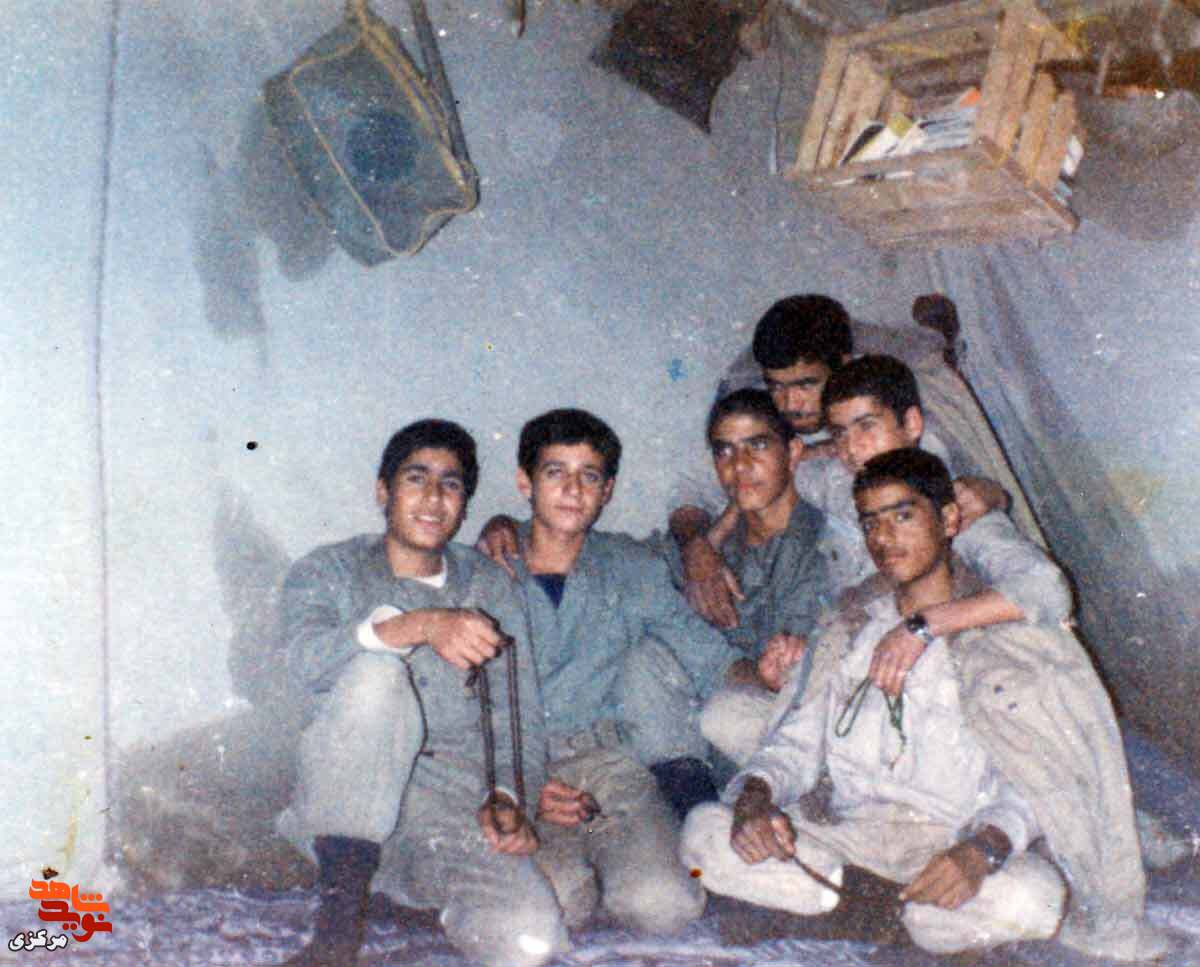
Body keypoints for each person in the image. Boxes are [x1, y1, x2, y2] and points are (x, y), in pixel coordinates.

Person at [681, 449, 1166, 961]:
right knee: (705, 834)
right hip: (849, 837)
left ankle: (852, 910)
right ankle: (898, 918)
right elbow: (795, 746)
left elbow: (1037, 777)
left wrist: (982, 851)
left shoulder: (1000, 634)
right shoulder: (850, 624)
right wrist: (755, 801)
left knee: (1035, 899)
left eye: (903, 516)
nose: (884, 537)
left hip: (951, 841)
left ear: (949, 520)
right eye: (871, 523)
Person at [275, 420, 565, 967]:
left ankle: (398, 893)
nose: (433, 498)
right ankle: (337, 934)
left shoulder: (487, 585)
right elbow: (300, 663)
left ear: (465, 502)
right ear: (383, 491)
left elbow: (518, 714)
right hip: (345, 794)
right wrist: (417, 625)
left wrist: (505, 796)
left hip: (449, 807)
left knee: (531, 940)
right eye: (416, 479)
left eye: (450, 484)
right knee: (377, 677)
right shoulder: (328, 569)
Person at [507, 408, 741, 935]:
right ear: (525, 482)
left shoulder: (628, 565)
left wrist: (768, 678)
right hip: (523, 768)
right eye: (555, 472)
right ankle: (578, 877)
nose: (573, 490)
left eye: (589, 475)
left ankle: (620, 867)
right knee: (551, 911)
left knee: (666, 906)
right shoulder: (487, 569)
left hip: (612, 765)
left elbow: (704, 651)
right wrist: (515, 782)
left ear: (607, 490)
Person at [668, 294, 1024, 631]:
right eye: (777, 387)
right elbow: (697, 489)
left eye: (806, 385)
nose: (790, 403)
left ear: (843, 365)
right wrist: (697, 546)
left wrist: (989, 492)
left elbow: (952, 495)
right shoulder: (769, 412)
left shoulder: (906, 430)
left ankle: (938, 337)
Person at [658, 389, 831, 766]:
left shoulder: (823, 540)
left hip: (807, 725)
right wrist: (699, 545)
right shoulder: (712, 550)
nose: (740, 465)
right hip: (730, 728)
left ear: (793, 453)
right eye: (725, 451)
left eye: (758, 445)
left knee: (726, 715)